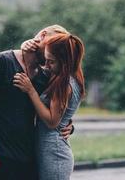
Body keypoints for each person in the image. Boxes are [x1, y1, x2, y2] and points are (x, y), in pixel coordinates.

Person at [0, 25, 73, 180]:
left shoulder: (44, 76)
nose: (51, 54)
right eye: (52, 47)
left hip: (30, 157)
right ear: (42, 36)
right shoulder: (3, 61)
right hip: (0, 156)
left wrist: (69, 125)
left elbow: (52, 111)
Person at [13, 32, 85, 180]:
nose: (46, 66)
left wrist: (30, 91)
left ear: (65, 62)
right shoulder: (62, 75)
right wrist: (25, 47)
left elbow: (52, 122)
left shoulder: (64, 84)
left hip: (54, 153)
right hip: (49, 148)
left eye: (51, 62)